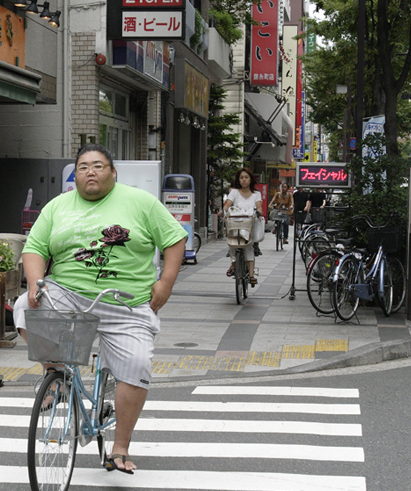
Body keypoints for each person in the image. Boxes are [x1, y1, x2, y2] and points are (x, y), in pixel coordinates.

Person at [14, 143, 186, 474]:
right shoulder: (57, 206)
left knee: (136, 364)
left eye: (98, 166)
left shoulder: (140, 202)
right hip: (68, 294)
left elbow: (174, 238)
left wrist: (166, 282)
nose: (90, 172)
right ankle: (57, 373)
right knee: (25, 307)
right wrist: (35, 283)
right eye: (83, 167)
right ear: (75, 175)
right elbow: (34, 248)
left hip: (126, 302)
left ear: (113, 172)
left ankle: (119, 447)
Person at [223, 167, 263, 286]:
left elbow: (259, 207)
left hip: (249, 225)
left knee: (249, 246)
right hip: (235, 224)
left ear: (251, 179)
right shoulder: (234, 192)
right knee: (232, 242)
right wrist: (223, 211)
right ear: (238, 180)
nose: (244, 180)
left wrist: (259, 211)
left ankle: (251, 275)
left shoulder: (256, 194)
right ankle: (233, 264)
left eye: (246, 177)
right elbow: (228, 205)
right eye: (241, 178)